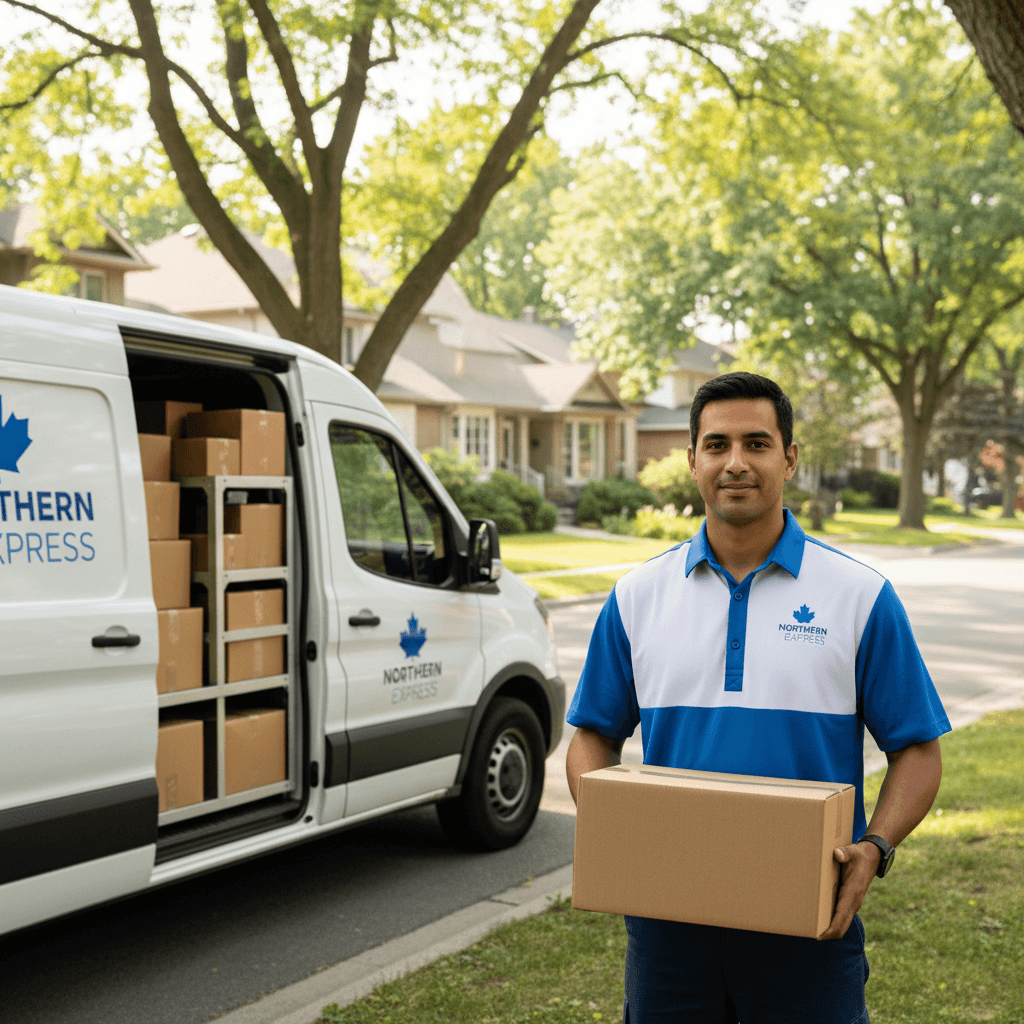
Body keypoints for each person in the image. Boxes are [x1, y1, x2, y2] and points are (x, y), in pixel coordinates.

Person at [566, 371, 949, 1024]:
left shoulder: (859, 597)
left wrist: (876, 847)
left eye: (757, 443)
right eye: (716, 445)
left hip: (808, 923)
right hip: (668, 927)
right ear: (691, 461)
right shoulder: (637, 596)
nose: (735, 462)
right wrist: (618, 824)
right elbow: (591, 737)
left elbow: (917, 748)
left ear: (790, 458)